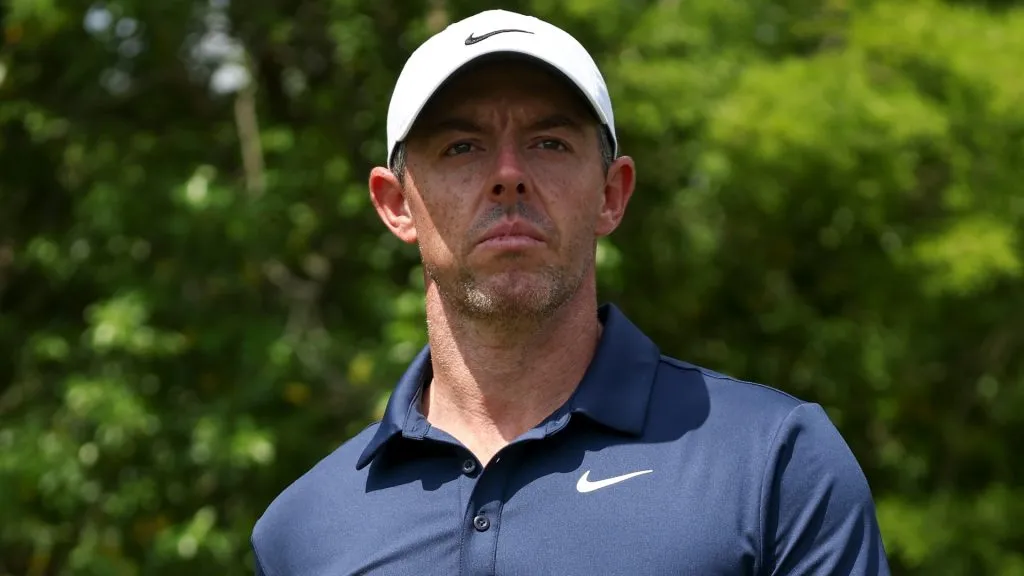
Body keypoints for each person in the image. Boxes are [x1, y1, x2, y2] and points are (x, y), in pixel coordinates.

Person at [251, 8, 890, 575]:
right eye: (462, 146)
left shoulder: (774, 464)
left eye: (549, 143)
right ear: (396, 205)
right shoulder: (302, 531)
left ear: (612, 194)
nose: (508, 175)